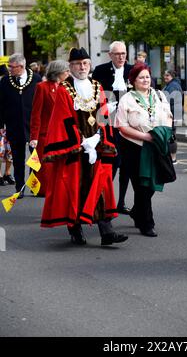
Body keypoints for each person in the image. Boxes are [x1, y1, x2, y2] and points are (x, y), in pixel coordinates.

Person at [40, 47, 128, 247]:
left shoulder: (97, 86)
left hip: (96, 146)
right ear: (70, 66)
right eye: (78, 64)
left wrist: (98, 138)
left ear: (90, 65)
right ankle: (75, 229)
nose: (82, 67)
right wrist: (82, 142)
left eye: (85, 63)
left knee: (100, 187)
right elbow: (62, 119)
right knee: (75, 188)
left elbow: (103, 116)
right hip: (76, 148)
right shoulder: (64, 89)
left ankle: (107, 232)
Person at [115, 63, 173, 237]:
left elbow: (169, 117)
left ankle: (136, 211)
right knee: (141, 186)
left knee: (153, 185)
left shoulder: (160, 95)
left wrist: (163, 133)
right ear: (133, 81)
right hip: (135, 147)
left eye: (147, 76)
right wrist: (146, 137)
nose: (145, 80)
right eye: (141, 77)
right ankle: (147, 223)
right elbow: (121, 126)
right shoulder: (127, 99)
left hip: (157, 146)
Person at [92, 41, 133, 215]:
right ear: (110, 55)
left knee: (128, 166)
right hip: (108, 123)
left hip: (129, 123)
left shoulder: (132, 70)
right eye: (117, 54)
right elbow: (95, 95)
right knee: (111, 164)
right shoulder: (101, 71)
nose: (121, 57)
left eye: (123, 53)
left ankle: (121, 202)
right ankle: (104, 202)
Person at [0, 53, 42, 198]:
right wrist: (1, 124)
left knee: (35, 157)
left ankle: (35, 185)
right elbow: (1, 104)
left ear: (22, 66)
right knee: (17, 159)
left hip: (33, 125)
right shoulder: (5, 81)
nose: (9, 69)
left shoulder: (36, 79)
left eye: (12, 67)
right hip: (14, 125)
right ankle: (20, 187)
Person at [29, 60, 70, 196]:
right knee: (43, 166)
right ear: (58, 72)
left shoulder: (68, 87)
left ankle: (59, 188)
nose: (68, 73)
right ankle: (41, 190)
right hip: (45, 134)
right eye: (66, 71)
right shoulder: (42, 87)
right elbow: (36, 114)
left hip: (64, 133)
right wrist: (34, 137)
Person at [162, 69, 183, 164]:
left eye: (167, 75)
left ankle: (173, 158)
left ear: (172, 76)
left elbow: (169, 100)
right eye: (165, 75)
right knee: (170, 135)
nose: (165, 77)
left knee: (171, 136)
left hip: (172, 113)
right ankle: (170, 157)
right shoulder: (171, 85)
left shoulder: (173, 86)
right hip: (172, 113)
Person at [0, 64, 14, 186]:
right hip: (0, 124)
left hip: (10, 123)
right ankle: (0, 175)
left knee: (10, 151)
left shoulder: (10, 87)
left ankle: (7, 173)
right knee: (0, 151)